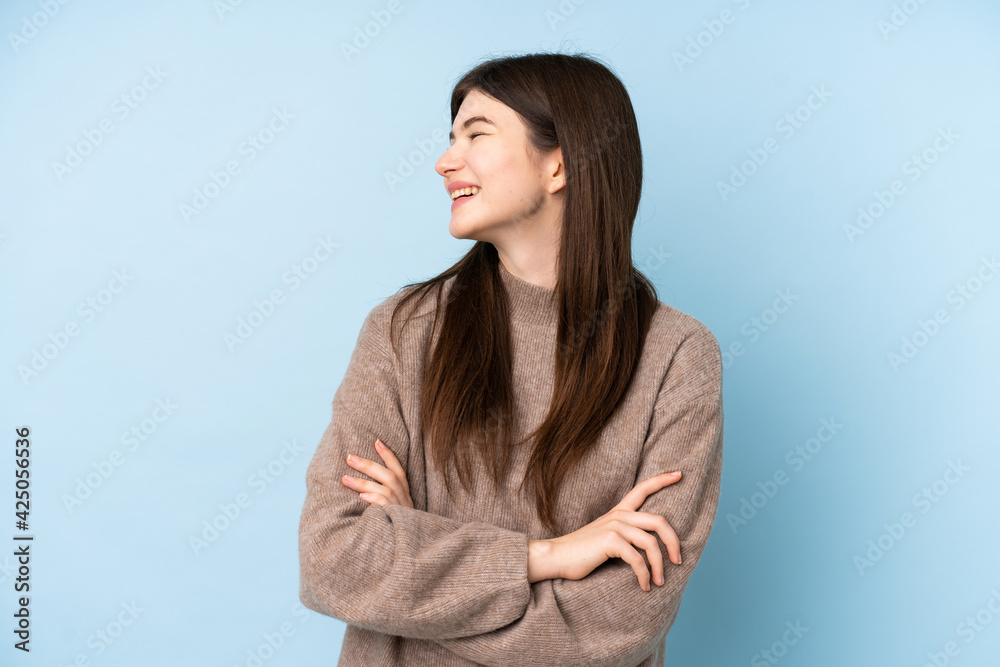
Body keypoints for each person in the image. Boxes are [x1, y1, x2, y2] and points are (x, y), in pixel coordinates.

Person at [298, 52, 724, 666]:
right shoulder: (403, 330)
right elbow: (333, 559)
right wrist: (544, 557)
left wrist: (415, 552)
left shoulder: (677, 356)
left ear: (559, 164)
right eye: (451, 137)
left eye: (476, 135)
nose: (445, 161)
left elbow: (620, 624)